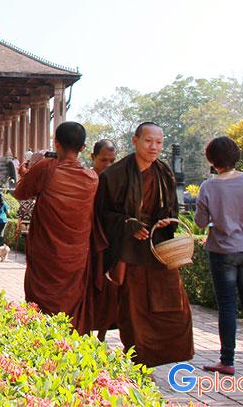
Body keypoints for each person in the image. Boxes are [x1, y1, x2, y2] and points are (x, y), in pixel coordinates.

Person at [95, 122, 193, 367]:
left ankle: (170, 354)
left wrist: (164, 223)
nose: (154, 147)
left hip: (159, 249)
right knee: (134, 308)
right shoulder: (114, 175)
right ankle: (139, 359)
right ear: (135, 140)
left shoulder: (164, 173)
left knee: (174, 306)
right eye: (149, 141)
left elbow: (172, 209)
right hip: (130, 251)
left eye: (159, 142)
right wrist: (127, 224)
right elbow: (101, 215)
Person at [14, 122, 99, 334]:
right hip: (76, 257)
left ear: (56, 143)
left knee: (40, 311)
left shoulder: (47, 168)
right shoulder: (92, 178)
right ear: (83, 148)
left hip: (46, 254)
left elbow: (20, 193)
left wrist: (25, 173)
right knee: (71, 309)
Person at [194, 136, 243, 375]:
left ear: (212, 159)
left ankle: (227, 360)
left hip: (223, 251)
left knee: (227, 306)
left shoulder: (208, 186)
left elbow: (200, 223)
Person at [88, 138, 119, 341]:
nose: (108, 165)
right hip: (88, 241)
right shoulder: (87, 180)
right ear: (93, 157)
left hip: (110, 242)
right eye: (103, 160)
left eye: (111, 160)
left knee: (109, 289)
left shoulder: (118, 182)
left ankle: (102, 333)